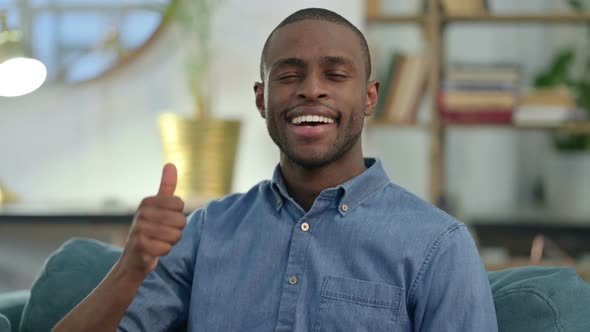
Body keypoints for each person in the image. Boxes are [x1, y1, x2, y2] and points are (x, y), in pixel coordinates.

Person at [54, 7, 498, 332]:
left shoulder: (440, 247)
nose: (311, 90)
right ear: (262, 98)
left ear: (369, 96)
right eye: (289, 76)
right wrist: (131, 266)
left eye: (335, 75)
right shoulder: (208, 231)